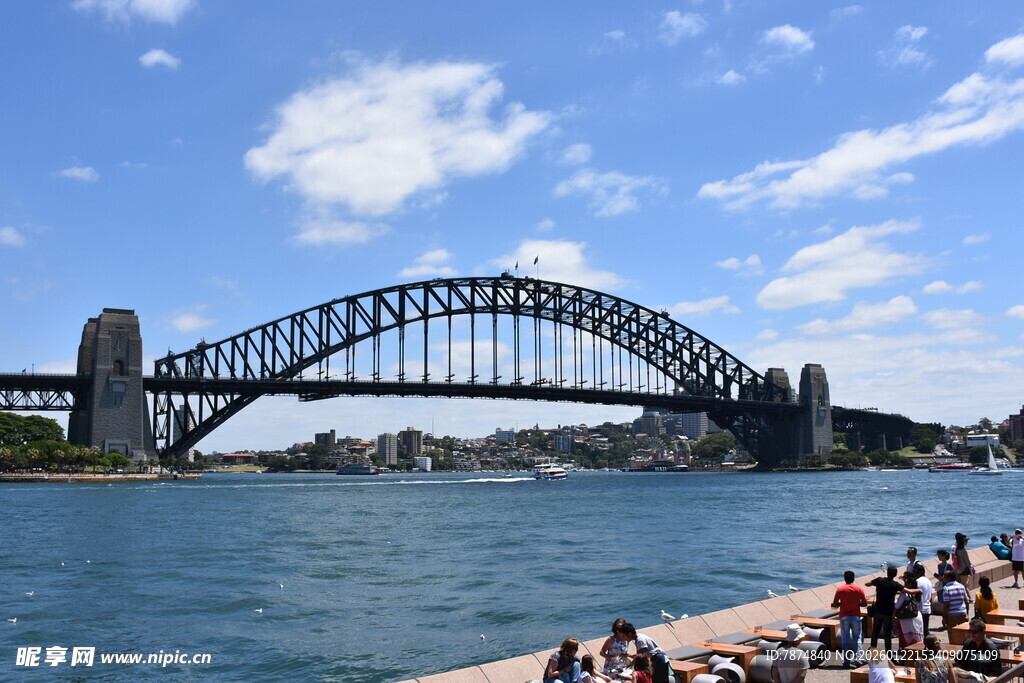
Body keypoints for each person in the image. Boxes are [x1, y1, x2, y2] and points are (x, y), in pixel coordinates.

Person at [832, 569, 868, 668]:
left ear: (845, 578)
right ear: (853, 578)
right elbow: (864, 603)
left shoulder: (840, 589)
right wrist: (857, 604)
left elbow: (835, 604)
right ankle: (857, 659)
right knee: (857, 638)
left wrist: (841, 604)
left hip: (844, 616)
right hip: (856, 616)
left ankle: (846, 661)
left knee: (845, 639)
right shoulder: (859, 589)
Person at [868, 565, 905, 654]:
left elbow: (867, 584)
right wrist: (918, 590)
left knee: (875, 632)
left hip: (878, 610)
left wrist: (874, 584)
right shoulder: (895, 585)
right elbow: (906, 591)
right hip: (888, 612)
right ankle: (888, 654)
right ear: (895, 574)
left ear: (887, 572)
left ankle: (872, 651)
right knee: (887, 634)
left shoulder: (880, 580)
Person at [895, 573, 924, 649]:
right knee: (917, 635)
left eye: (906, 583)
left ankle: (907, 651)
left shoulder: (904, 594)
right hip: (917, 615)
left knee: (906, 637)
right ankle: (919, 650)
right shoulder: (918, 593)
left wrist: (893, 615)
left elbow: (897, 606)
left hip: (906, 618)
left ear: (910, 584)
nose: (904, 585)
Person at [914, 564, 934, 635]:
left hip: (920, 609)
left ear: (918, 572)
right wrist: (931, 608)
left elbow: (917, 596)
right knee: (925, 630)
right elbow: (930, 596)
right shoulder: (928, 581)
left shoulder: (918, 581)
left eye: (915, 571)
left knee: (919, 631)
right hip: (927, 608)